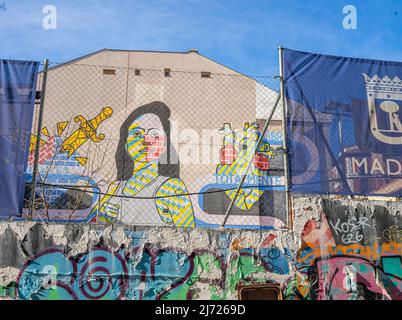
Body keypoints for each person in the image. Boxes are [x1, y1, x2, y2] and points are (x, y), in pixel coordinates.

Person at [97, 101, 195, 228]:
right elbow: (98, 225)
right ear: (125, 144)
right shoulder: (115, 187)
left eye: (154, 134)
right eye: (137, 133)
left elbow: (188, 231)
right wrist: (105, 217)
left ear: (165, 145)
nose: (146, 140)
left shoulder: (171, 188)